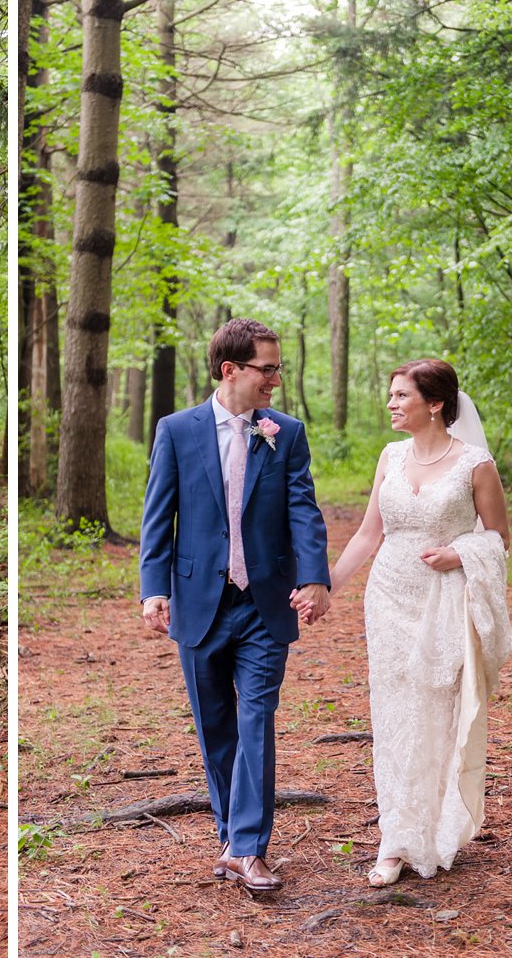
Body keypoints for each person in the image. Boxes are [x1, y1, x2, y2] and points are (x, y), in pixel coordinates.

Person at [139, 318, 331, 892]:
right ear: (231, 371)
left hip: (265, 602)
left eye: (277, 369)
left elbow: (304, 508)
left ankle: (248, 847)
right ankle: (232, 837)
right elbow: (158, 516)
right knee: (215, 724)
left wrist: (316, 578)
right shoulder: (177, 430)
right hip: (199, 601)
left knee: (256, 718)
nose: (275, 380)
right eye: (266, 369)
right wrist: (154, 588)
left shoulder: (285, 432)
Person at [320, 359, 512, 887]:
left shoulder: (475, 464)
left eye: (402, 395)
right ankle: (396, 839)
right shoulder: (390, 456)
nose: (391, 404)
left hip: (443, 598)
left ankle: (437, 824)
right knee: (394, 714)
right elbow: (367, 534)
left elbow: (498, 537)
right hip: (387, 599)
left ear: (435, 404)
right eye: (391, 394)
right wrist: (327, 587)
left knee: (434, 710)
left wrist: (460, 554)